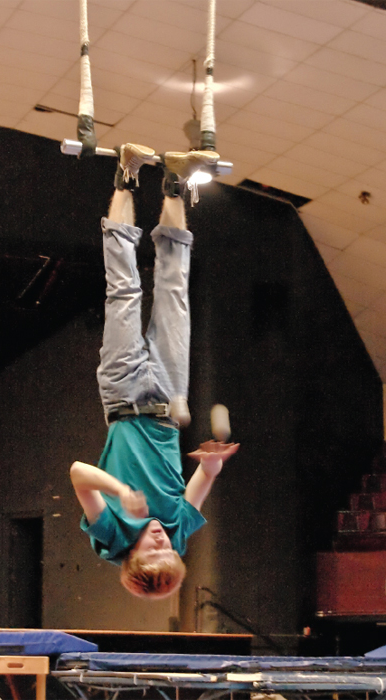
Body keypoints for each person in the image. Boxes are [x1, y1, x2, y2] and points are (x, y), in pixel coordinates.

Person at [70, 144, 239, 599]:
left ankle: (125, 173)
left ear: (132, 554)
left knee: (124, 290)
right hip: (167, 400)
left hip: (122, 396)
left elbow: (79, 471)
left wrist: (119, 492)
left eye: (154, 548)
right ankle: (175, 184)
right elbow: (201, 483)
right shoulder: (179, 530)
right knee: (174, 290)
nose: (163, 540)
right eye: (170, 551)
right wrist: (213, 464)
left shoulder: (112, 533)